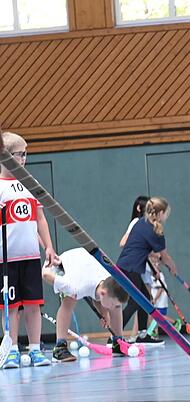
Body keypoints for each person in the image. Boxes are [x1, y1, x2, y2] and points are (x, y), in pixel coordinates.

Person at [1, 131, 57, 368]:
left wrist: (49, 248)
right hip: (6, 259)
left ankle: (35, 349)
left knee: (33, 305)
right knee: (11, 307)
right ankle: (12, 348)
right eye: (18, 154)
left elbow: (40, 219)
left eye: (26, 155)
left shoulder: (30, 185)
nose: (23, 159)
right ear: (5, 157)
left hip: (31, 256)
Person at [41, 248, 130, 361]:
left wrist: (103, 313)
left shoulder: (108, 279)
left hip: (87, 263)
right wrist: (48, 263)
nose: (112, 308)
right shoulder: (74, 286)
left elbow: (96, 296)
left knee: (115, 303)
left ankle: (118, 342)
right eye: (112, 304)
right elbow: (46, 275)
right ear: (103, 293)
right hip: (68, 263)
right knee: (68, 303)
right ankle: (60, 347)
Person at [117, 197, 177, 346]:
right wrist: (173, 267)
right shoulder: (155, 231)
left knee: (144, 299)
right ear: (160, 212)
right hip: (130, 268)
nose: (166, 217)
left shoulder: (139, 223)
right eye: (166, 213)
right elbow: (164, 255)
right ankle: (115, 337)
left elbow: (139, 249)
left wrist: (155, 269)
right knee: (135, 302)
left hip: (125, 266)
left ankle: (142, 335)